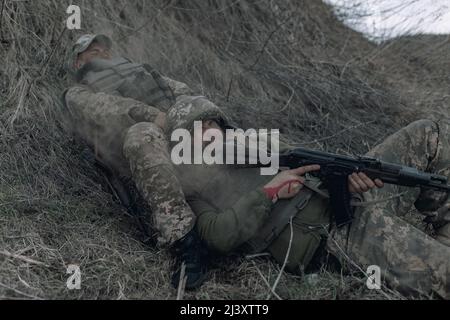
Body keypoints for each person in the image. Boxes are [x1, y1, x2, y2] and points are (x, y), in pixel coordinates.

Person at [124, 95, 450, 298]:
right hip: (335, 233)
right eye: (200, 127)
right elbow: (218, 236)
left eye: (213, 122)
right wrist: (269, 192)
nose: (211, 130)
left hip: (345, 199)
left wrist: (347, 180)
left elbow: (314, 168)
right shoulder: (198, 188)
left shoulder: (255, 149)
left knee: (427, 132)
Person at [60, 34, 211, 289]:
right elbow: (108, 107)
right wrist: (157, 117)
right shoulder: (76, 92)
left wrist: (205, 116)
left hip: (182, 137)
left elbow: (184, 92)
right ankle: (186, 243)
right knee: (142, 134)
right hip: (142, 150)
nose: (102, 51)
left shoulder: (139, 71)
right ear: (77, 64)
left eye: (104, 49)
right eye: (91, 51)